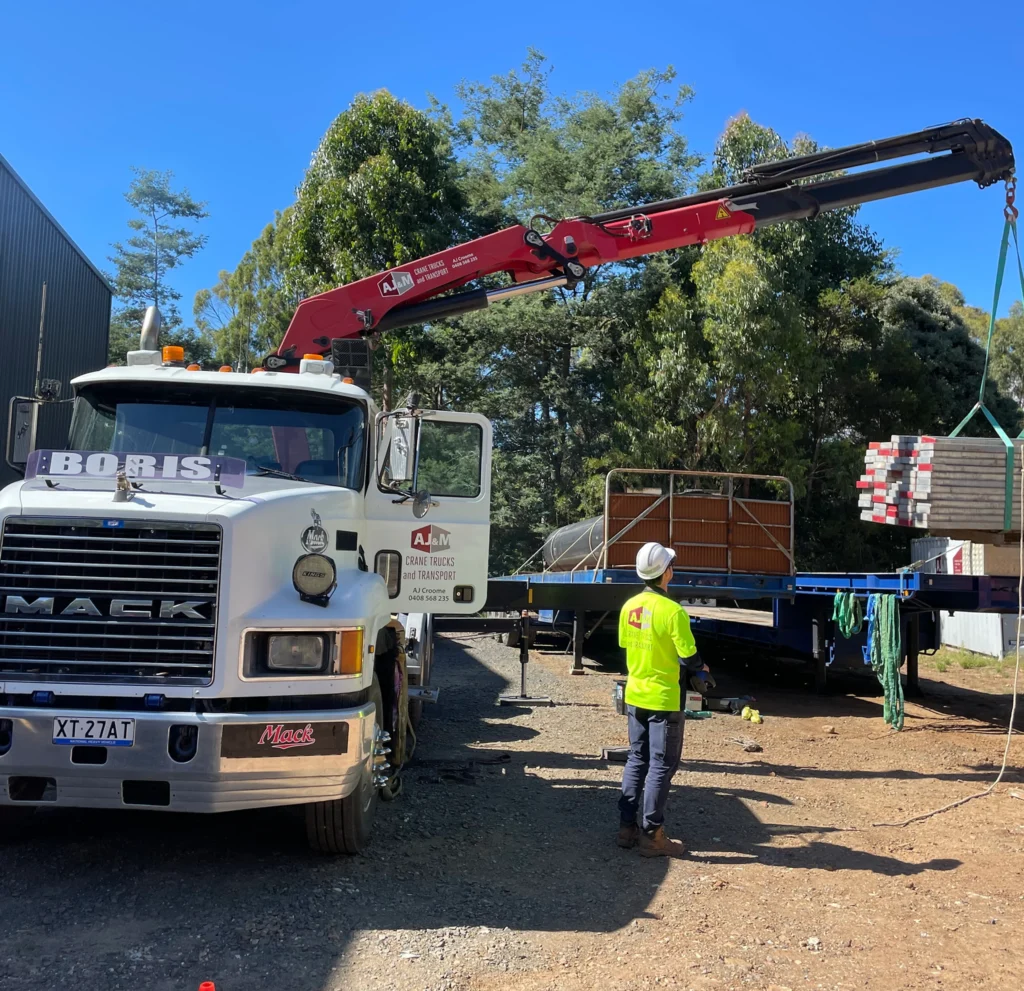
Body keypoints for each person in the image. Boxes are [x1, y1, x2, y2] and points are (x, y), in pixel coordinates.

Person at [616, 541, 708, 857]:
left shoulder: (629, 606)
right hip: (664, 699)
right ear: (665, 572)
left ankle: (626, 827)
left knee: (636, 759)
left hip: (635, 695)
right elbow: (688, 655)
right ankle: (652, 835)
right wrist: (701, 668)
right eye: (671, 564)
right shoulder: (673, 611)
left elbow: (628, 646)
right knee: (661, 765)